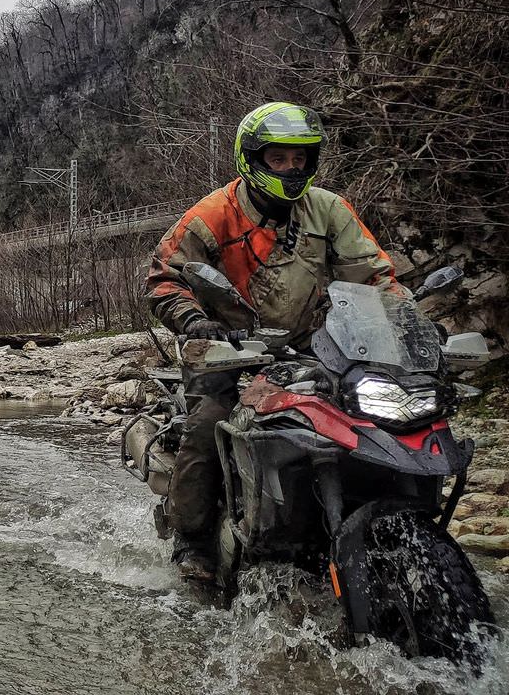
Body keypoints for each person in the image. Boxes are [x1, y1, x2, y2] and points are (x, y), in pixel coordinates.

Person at [145, 101, 403, 581]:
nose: (291, 168)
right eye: (279, 158)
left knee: (375, 418)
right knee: (209, 426)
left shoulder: (328, 210)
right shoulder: (212, 215)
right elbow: (163, 279)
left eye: (300, 159)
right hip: (228, 352)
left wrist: (407, 322)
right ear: (253, 158)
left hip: (315, 349)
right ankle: (192, 540)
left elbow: (373, 275)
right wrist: (195, 320)